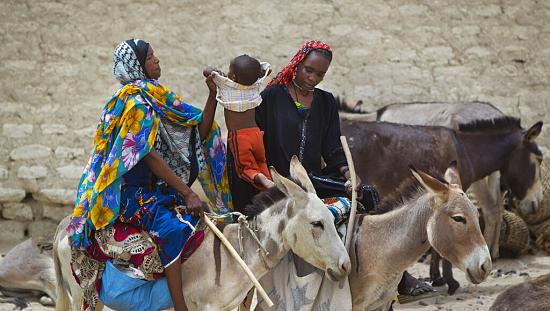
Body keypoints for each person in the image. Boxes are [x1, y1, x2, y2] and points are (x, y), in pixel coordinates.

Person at [227, 40, 430, 306]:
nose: (313, 78)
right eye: (308, 70)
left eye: (320, 74)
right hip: (281, 183)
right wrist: (262, 181)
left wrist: (347, 175)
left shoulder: (325, 102)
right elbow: (251, 142)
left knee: (367, 195)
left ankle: (397, 278)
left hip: (312, 179)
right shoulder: (272, 96)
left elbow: (333, 148)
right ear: (297, 64)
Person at [67, 39, 230, 311]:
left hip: (153, 189)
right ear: (138, 65)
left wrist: (212, 93)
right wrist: (187, 192)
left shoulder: (157, 98)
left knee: (201, 220)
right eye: (151, 57)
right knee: (172, 228)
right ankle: (181, 306)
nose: (157, 60)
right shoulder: (136, 105)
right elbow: (149, 155)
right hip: (129, 194)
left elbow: (196, 136)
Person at [204, 55, 274, 190]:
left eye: (230, 70)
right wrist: (255, 72)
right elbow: (267, 70)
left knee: (245, 168)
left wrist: (217, 73)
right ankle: (269, 182)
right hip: (256, 134)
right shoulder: (255, 84)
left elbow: (207, 72)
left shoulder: (226, 86)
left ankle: (260, 178)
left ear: (234, 77)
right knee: (261, 161)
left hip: (240, 137)